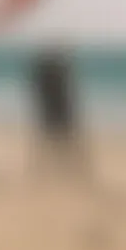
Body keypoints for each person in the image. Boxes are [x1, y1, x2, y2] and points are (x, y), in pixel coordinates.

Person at [26, 44, 91, 183]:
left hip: (54, 100)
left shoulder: (49, 74)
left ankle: (51, 171)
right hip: (55, 101)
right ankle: (70, 171)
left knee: (56, 134)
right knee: (61, 134)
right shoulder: (51, 74)